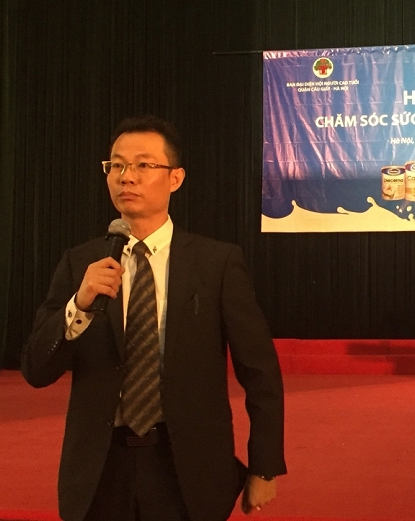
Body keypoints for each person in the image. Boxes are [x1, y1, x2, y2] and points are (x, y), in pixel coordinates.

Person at [22, 116, 286, 521]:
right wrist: (80, 304)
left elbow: (260, 372)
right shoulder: (81, 263)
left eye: (143, 165)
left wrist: (264, 466)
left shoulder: (216, 263)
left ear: (175, 178)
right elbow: (36, 369)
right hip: (100, 469)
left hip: (186, 468)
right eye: (116, 165)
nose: (126, 176)